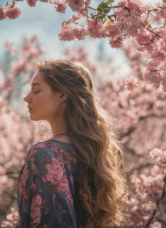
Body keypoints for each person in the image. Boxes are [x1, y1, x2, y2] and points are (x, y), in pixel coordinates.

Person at [17, 59, 128, 228]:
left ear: (62, 94)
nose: (27, 98)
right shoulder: (92, 153)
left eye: (36, 90)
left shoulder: (45, 154)